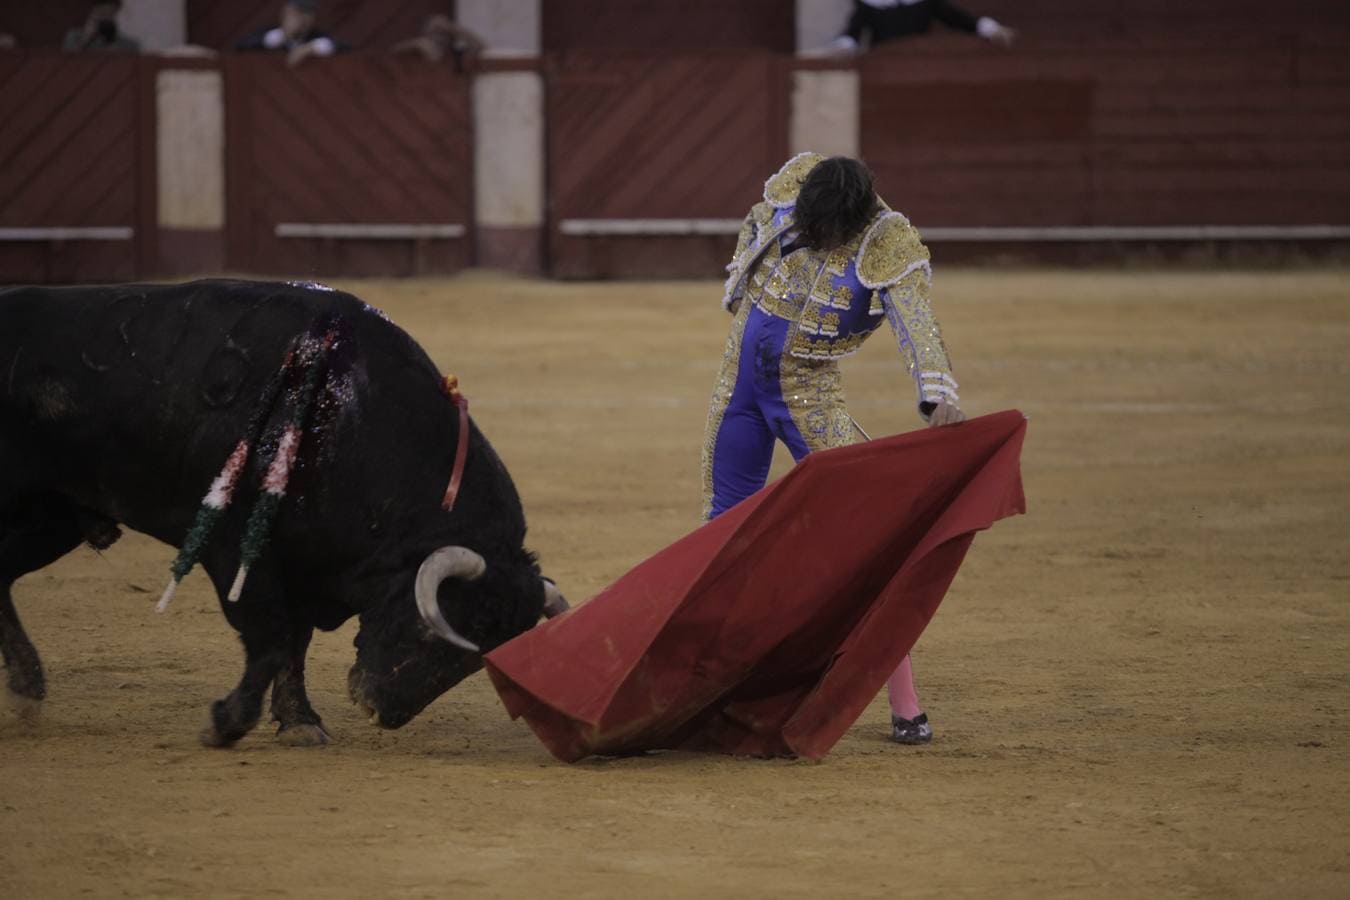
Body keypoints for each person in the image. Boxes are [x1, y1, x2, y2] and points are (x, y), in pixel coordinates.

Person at [700, 153, 964, 745]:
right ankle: (709, 683)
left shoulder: (888, 242)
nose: (813, 237)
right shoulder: (797, 189)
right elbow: (756, 219)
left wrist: (936, 394)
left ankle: (905, 703)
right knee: (719, 539)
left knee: (876, 541)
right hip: (737, 392)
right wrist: (741, 276)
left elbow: (917, 324)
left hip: (808, 398)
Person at [830, 0, 1015, 55]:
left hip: (921, 59)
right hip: (885, 65)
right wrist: (843, 47)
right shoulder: (870, 4)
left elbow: (957, 18)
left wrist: (991, 29)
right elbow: (854, 32)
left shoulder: (927, 3)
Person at [236, 0, 341, 68]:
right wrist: (283, 35)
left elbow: (341, 47)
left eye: (308, 13)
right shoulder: (266, 33)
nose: (303, 18)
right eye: (298, 12)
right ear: (286, 13)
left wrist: (309, 48)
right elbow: (241, 47)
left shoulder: (317, 36)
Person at [391, 14, 485, 73]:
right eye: (435, 32)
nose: (440, 37)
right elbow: (393, 52)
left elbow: (479, 44)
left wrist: (453, 29)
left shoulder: (454, 56)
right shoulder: (421, 46)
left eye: (442, 33)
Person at [62, 1, 140, 53]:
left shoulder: (129, 45)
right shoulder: (74, 37)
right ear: (92, 13)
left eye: (109, 15)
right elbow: (66, 64)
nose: (104, 19)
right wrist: (85, 39)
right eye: (101, 14)